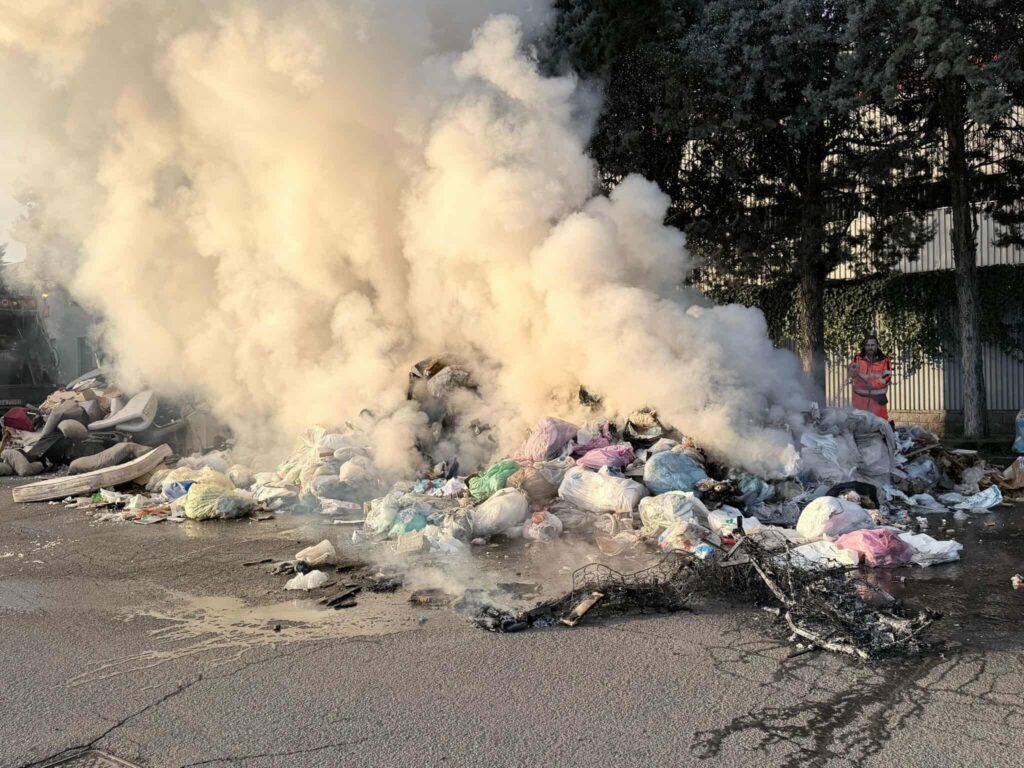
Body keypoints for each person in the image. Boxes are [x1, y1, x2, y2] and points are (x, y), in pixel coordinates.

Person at [848, 335, 893, 420]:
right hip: (860, 403)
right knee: (859, 429)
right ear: (864, 347)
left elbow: (887, 377)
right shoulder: (857, 358)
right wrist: (851, 371)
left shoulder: (884, 360)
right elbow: (851, 374)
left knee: (880, 428)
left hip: (878, 405)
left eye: (872, 345)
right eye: (868, 345)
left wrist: (873, 384)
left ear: (877, 346)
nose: (870, 347)